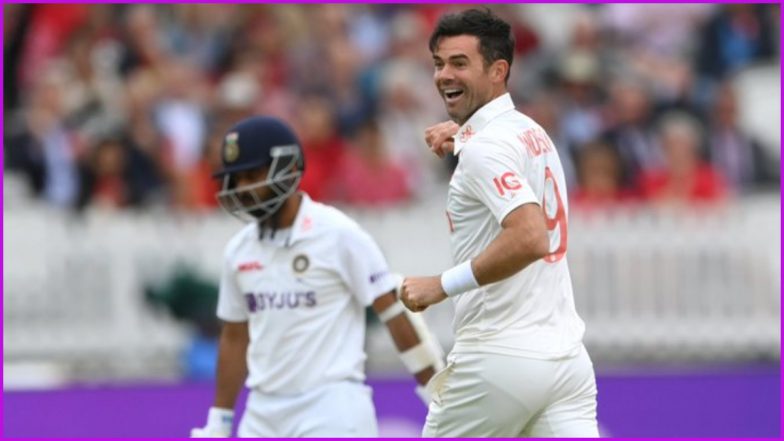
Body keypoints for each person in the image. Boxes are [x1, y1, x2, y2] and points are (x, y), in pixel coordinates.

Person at [399, 9, 598, 437]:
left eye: (459, 63)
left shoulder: (485, 148)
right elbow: (494, 152)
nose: (444, 75)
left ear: (498, 70)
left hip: (499, 357)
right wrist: (463, 135)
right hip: (566, 361)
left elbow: (530, 237)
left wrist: (440, 284)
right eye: (439, 63)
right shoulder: (530, 130)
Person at [191, 116, 444, 437]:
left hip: (332, 405)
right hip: (263, 412)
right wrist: (220, 419)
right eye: (235, 179)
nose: (242, 189)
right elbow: (234, 337)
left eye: (252, 175)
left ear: (288, 168)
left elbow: (393, 313)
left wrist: (437, 398)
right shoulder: (238, 252)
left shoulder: (338, 235)